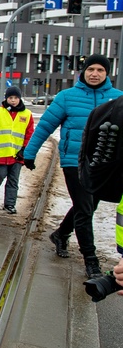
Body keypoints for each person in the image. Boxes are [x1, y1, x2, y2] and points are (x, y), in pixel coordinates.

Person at [23, 54, 123, 279]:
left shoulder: (119, 99)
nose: (94, 74)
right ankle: (91, 260)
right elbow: (45, 126)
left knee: (85, 207)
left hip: (104, 167)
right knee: (85, 209)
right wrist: (29, 153)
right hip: (73, 162)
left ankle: (61, 234)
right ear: (83, 71)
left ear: (107, 74)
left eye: (100, 70)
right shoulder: (67, 97)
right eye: (91, 69)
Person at [0, 86, 34, 214]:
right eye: (10, 98)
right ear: (6, 98)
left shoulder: (27, 114)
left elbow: (29, 134)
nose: (13, 100)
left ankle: (9, 204)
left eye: (15, 98)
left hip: (18, 155)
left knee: (13, 180)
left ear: (19, 98)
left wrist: (24, 150)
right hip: (1, 153)